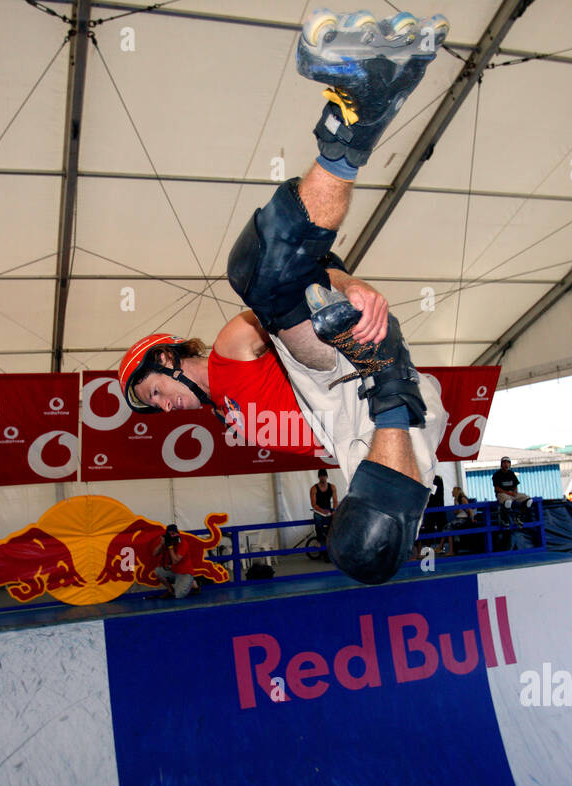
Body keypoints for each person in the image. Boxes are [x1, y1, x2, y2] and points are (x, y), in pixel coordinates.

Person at [118, 11, 451, 585]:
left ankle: (357, 121)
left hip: (335, 378)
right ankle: (387, 371)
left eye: (155, 391)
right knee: (367, 554)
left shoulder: (230, 350)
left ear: (167, 358)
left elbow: (297, 278)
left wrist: (349, 286)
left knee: (259, 273)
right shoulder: (225, 406)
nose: (165, 408)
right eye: (155, 407)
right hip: (354, 423)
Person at [151, 524, 198, 599]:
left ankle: (192, 583)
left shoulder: (183, 543)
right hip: (174, 571)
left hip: (185, 572)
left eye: (173, 533)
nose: (172, 536)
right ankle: (170, 590)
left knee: (179, 596)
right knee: (158, 571)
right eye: (169, 534)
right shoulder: (167, 541)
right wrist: (161, 543)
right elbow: (154, 554)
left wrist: (170, 547)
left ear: (177, 533)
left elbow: (175, 560)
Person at [309, 468, 339, 560]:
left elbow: (335, 501)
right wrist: (322, 511)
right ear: (318, 477)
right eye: (321, 477)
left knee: (334, 520)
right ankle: (319, 539)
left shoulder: (332, 487)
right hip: (318, 509)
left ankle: (330, 539)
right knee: (318, 519)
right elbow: (314, 504)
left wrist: (334, 509)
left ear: (327, 477)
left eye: (324, 476)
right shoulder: (314, 488)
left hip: (328, 509)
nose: (323, 478)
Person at [492, 456, 533, 523]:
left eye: (508, 463)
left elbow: (515, 485)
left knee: (529, 500)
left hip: (512, 493)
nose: (506, 464)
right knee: (508, 501)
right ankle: (504, 519)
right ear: (501, 464)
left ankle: (519, 516)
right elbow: (497, 488)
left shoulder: (511, 474)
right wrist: (508, 493)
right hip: (502, 494)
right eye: (504, 463)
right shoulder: (497, 475)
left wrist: (515, 492)